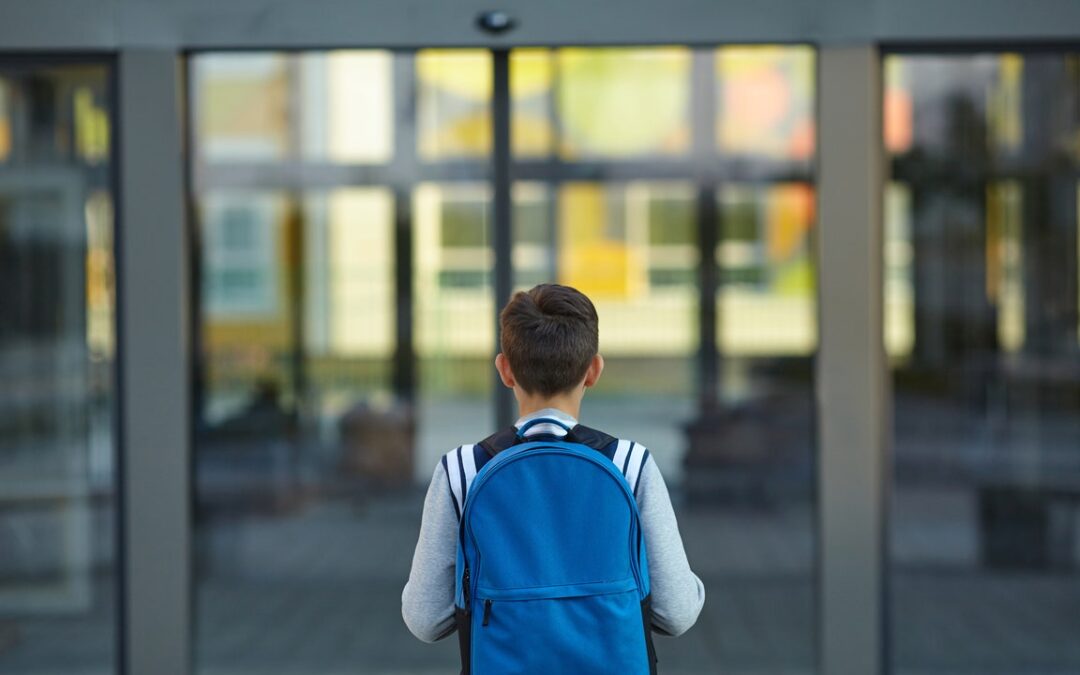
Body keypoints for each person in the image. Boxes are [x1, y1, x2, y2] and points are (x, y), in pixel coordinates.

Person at [401, 283, 705, 651]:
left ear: (505, 369)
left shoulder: (463, 470)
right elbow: (677, 612)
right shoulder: (630, 465)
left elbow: (425, 619)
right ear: (594, 370)